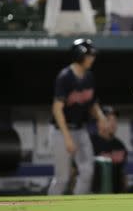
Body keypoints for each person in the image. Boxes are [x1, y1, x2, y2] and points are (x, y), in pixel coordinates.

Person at [48, 39, 108, 195]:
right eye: (89, 55)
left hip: (81, 129)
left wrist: (101, 117)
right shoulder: (65, 77)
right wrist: (67, 137)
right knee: (63, 178)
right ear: (79, 55)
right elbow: (57, 109)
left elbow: (92, 103)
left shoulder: (89, 76)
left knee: (87, 171)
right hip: (61, 131)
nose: (92, 58)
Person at [90, 107, 128, 193]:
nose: (112, 123)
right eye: (108, 119)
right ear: (98, 122)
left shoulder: (120, 145)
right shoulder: (90, 143)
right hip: (93, 195)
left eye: (114, 120)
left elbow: (123, 174)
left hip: (116, 195)